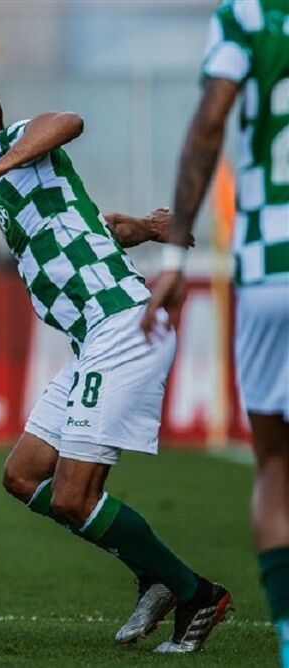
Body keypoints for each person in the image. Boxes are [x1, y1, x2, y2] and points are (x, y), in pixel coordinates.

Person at [0, 76, 230, 653]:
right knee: (21, 476)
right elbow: (94, 225)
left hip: (122, 327)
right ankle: (153, 576)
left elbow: (67, 119)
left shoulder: (14, 146)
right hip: (92, 341)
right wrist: (141, 226)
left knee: (72, 496)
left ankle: (195, 593)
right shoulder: (17, 184)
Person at [142, 0, 288, 663]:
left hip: (268, 268)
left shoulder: (248, 15)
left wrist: (174, 256)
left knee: (276, 465)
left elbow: (209, 124)